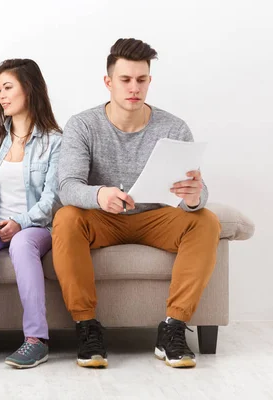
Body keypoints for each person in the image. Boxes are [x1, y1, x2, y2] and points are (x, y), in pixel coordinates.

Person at [52, 38, 221, 369]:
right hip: (102, 217)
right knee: (66, 217)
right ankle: (87, 326)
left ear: (149, 81)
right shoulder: (83, 125)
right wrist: (99, 194)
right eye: (126, 80)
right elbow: (67, 187)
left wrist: (194, 196)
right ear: (108, 82)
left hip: (154, 217)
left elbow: (198, 190)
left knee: (207, 220)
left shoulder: (173, 127)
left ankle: (172, 328)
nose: (134, 88)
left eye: (141, 80)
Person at [0, 59, 62, 369]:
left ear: (29, 89)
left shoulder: (55, 141)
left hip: (36, 225)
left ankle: (36, 339)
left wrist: (21, 222)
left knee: (21, 243)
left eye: (8, 87)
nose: (1, 95)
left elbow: (52, 199)